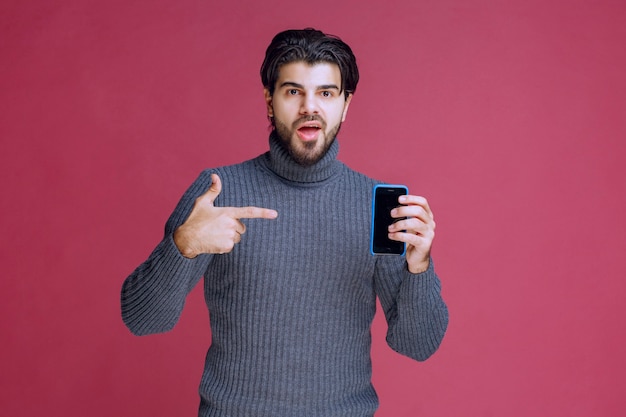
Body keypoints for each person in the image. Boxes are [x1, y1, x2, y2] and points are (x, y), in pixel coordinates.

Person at [121, 28, 448, 417]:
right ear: (269, 101)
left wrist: (419, 267)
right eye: (293, 92)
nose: (310, 107)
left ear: (346, 105)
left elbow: (418, 345)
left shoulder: (378, 205)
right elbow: (141, 320)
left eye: (326, 93)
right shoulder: (218, 191)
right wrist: (182, 246)